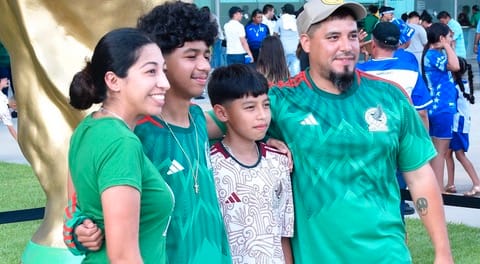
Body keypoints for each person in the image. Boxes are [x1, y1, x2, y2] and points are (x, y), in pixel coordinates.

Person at [268, 0, 452, 262]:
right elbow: (217, 124)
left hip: (388, 255)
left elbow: (420, 179)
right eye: (333, 37)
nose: (347, 46)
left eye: (352, 36)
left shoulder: (391, 97)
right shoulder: (280, 101)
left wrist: (443, 251)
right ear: (306, 42)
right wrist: (263, 142)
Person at [65, 2, 232, 263]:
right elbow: (77, 206)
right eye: (191, 55)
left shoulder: (200, 120)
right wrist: (78, 229)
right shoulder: (131, 134)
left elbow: (244, 116)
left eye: (207, 55)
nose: (203, 66)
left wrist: (277, 137)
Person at [67, 27, 173, 263]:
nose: (164, 83)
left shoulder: (87, 129)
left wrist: (77, 231)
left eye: (163, 71)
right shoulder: (122, 143)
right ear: (113, 80)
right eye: (151, 72)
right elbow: (124, 258)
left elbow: (76, 213)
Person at [207, 64, 294, 263]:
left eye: (265, 105)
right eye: (249, 107)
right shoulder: (209, 167)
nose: (262, 115)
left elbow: (283, 233)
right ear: (221, 113)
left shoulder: (279, 161)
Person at [357, 22, 432, 218]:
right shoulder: (410, 71)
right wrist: (422, 143)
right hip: (400, 145)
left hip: (366, 147)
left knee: (367, 202)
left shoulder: (358, 72)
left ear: (373, 43)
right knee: (396, 200)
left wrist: (355, 47)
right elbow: (422, 113)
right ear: (398, 43)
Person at [422, 22, 460, 191]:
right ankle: (437, 190)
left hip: (438, 108)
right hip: (441, 108)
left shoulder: (433, 54)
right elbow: (456, 66)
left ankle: (435, 189)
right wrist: (448, 46)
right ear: (441, 37)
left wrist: (446, 45)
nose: (452, 39)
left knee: (437, 151)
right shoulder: (434, 55)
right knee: (440, 152)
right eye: (449, 36)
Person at [445, 58, 480, 196]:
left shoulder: (454, 88)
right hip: (460, 123)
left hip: (457, 124)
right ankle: (450, 184)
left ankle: (477, 183)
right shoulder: (463, 85)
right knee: (448, 153)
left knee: (459, 155)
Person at [274, 4, 300, 76]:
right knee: (295, 72)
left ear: (284, 11)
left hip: (283, 49)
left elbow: (275, 35)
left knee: (284, 71)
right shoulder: (297, 21)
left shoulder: (280, 21)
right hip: (296, 49)